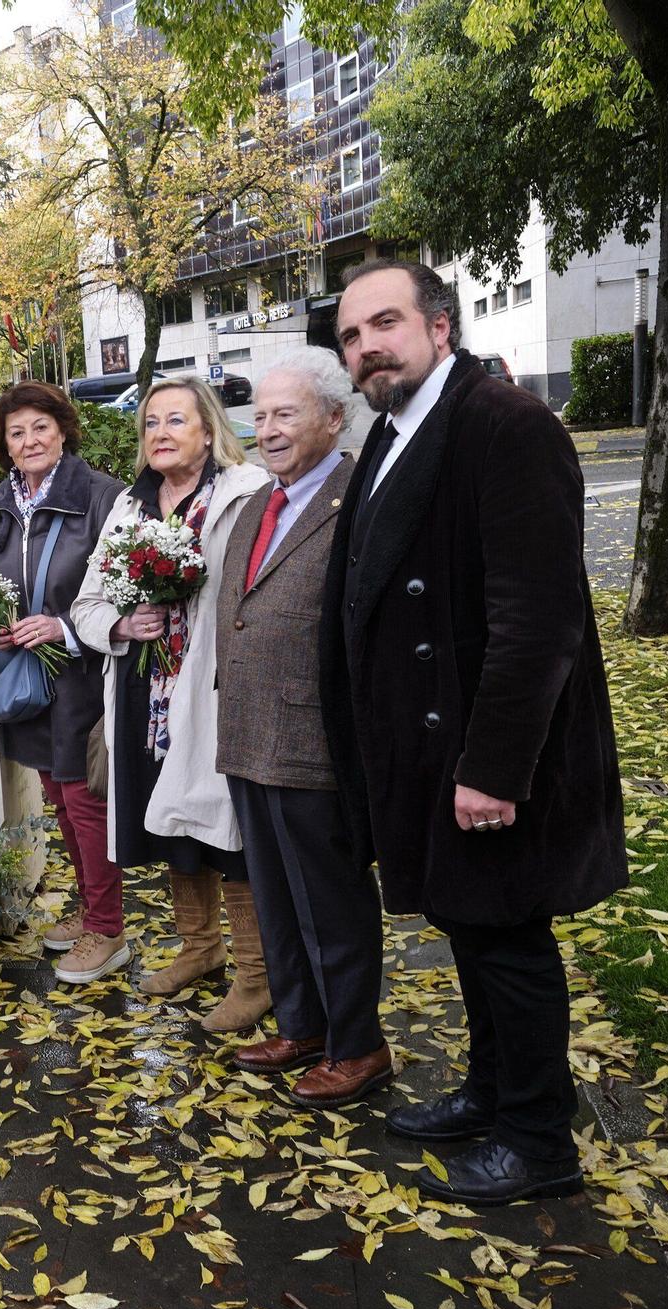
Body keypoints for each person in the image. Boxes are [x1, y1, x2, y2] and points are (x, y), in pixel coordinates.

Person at [323, 259, 625, 1205]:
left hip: (496, 753)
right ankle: (496, 1090)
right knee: (471, 928)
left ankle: (540, 1141)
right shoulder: (393, 434)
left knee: (511, 942)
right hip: (427, 749)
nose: (367, 346)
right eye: (350, 337)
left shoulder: (506, 424)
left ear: (440, 327)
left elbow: (538, 617)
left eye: (384, 324)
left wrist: (494, 767)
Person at [212, 348, 391, 1107]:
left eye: (286, 413)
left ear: (333, 417)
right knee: (276, 893)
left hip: (313, 736)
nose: (269, 428)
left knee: (330, 899)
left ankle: (359, 1045)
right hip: (250, 732)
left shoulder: (361, 500)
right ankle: (302, 1023)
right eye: (260, 413)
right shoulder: (261, 499)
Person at [72, 377, 271, 1032]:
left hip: (217, 690)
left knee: (225, 827)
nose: (160, 432)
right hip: (144, 695)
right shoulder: (129, 509)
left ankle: (255, 974)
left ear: (208, 431)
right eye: (151, 422)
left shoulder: (242, 496)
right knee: (171, 821)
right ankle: (199, 948)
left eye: (176, 420)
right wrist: (125, 626)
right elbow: (87, 604)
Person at [0, 383, 126, 984]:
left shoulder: (102, 497)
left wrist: (64, 627)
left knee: (85, 800)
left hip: (82, 671)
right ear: (3, 444)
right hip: (26, 677)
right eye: (16, 432)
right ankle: (90, 911)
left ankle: (109, 929)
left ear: (62, 429)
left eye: (39, 427)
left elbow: (120, 589)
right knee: (57, 797)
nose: (29, 440)